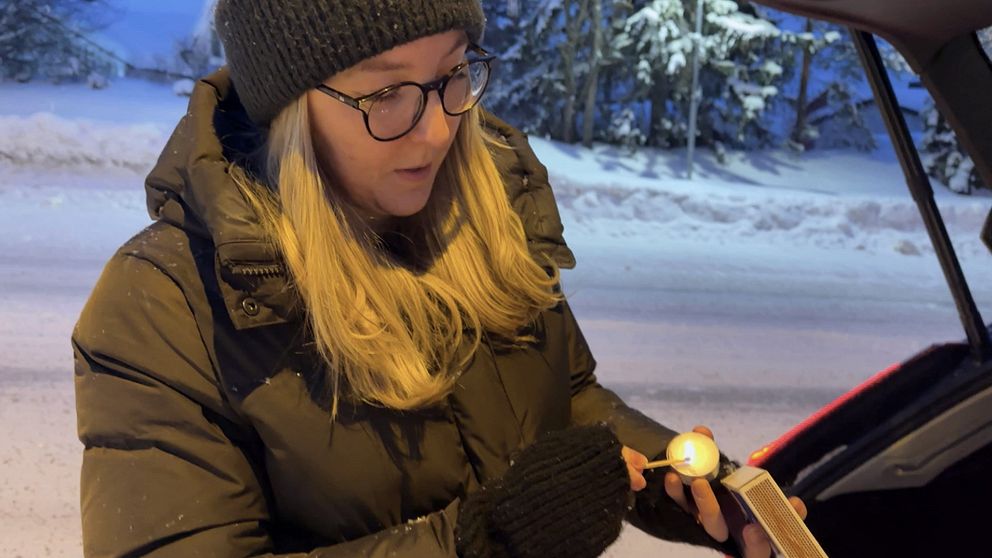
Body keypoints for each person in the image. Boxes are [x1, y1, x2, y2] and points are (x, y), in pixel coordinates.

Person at [72, 1, 805, 556]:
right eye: (386, 93)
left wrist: (671, 478)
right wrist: (481, 539)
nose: (437, 131)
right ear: (289, 109)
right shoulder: (165, 307)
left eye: (453, 74)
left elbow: (566, 397)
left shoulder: (490, 210)